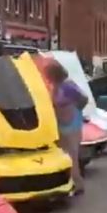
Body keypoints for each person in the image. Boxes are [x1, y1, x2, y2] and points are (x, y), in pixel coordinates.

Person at [44, 60, 87, 195]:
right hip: (63, 123)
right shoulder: (57, 86)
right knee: (66, 155)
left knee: (71, 155)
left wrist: (74, 109)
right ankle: (71, 183)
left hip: (71, 124)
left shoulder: (67, 86)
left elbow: (83, 99)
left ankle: (77, 184)